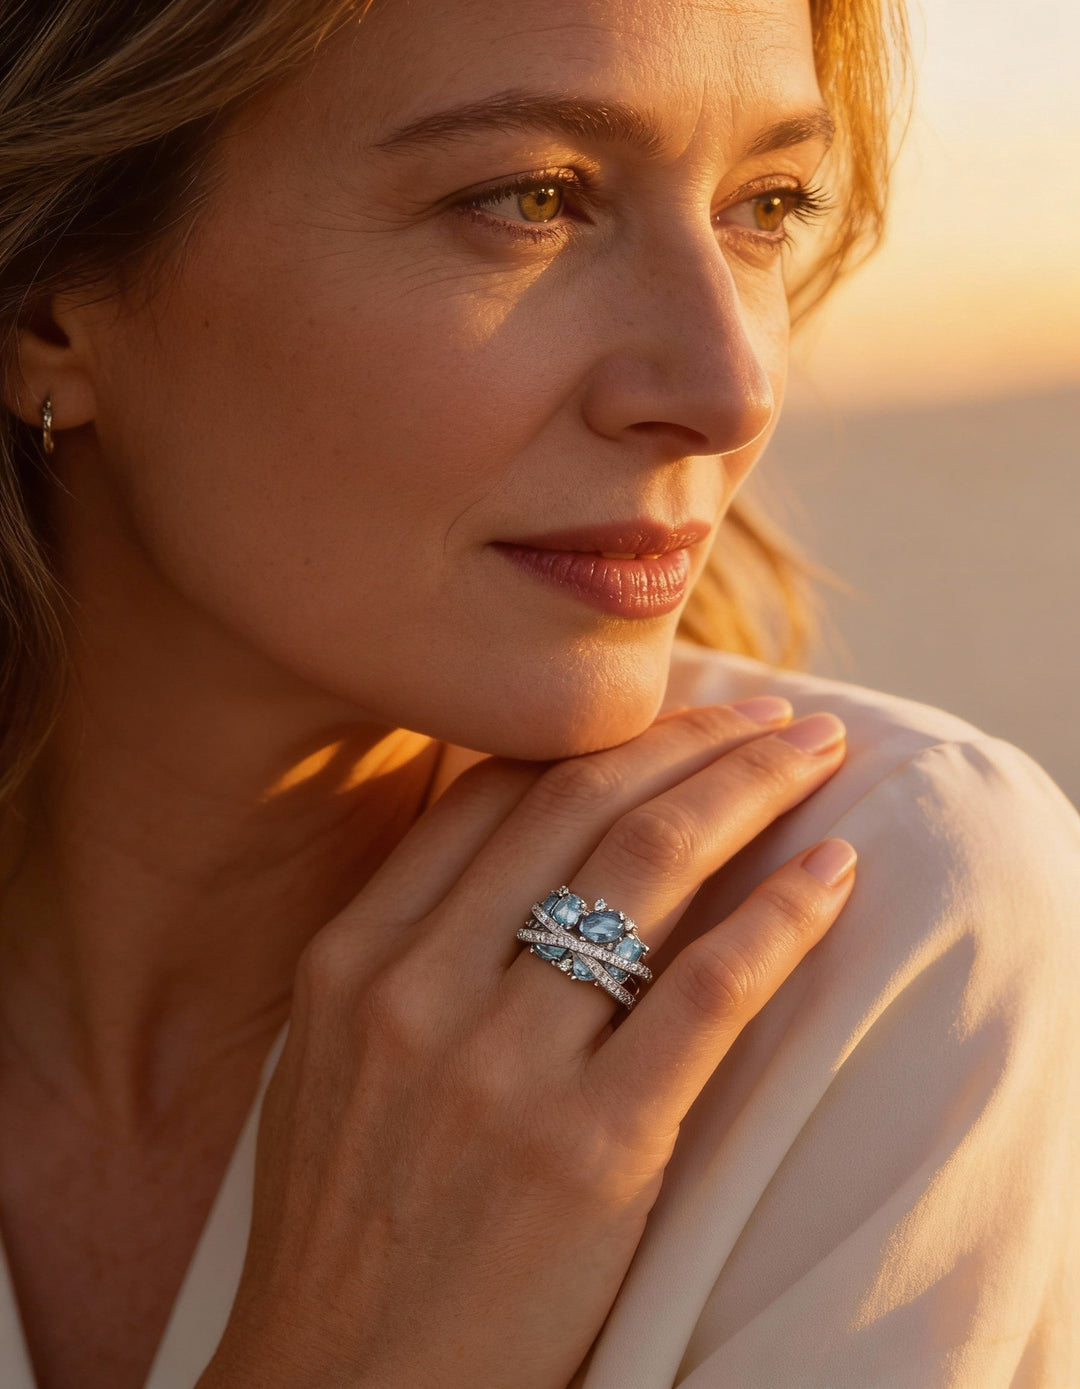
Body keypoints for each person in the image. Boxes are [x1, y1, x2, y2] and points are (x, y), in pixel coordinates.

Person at [1, 1, 1077, 1387]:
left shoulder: (883, 941)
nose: (732, 386)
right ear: (48, 303)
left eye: (768, 203)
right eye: (534, 197)